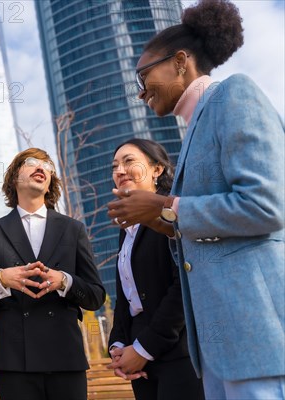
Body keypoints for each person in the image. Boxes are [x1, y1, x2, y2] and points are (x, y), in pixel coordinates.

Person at [107, 1, 284, 398]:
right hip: (216, 353)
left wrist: (165, 208)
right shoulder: (192, 132)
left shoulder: (235, 94)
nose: (139, 93)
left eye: (144, 75)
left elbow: (267, 205)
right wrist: (162, 223)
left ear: (181, 62)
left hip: (256, 337)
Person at [0, 148, 106, 400]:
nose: (41, 167)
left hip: (65, 357)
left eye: (47, 165)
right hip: (14, 361)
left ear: (51, 180)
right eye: (31, 162)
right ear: (13, 178)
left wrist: (64, 281)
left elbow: (95, 297)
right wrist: (1, 280)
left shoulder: (73, 229)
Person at [107, 139, 204, 400]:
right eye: (115, 166)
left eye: (129, 161)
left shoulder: (171, 216)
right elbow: (125, 296)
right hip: (140, 360)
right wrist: (117, 346)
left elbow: (184, 286)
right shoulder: (126, 229)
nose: (120, 170)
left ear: (157, 170)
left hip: (177, 351)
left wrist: (143, 349)